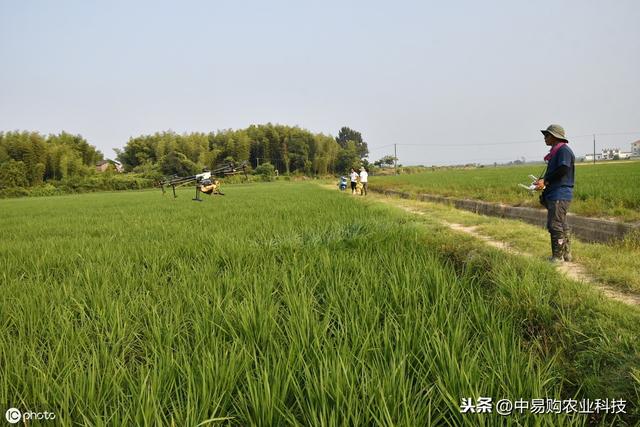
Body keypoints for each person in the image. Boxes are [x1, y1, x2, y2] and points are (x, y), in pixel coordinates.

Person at [535, 124, 575, 262]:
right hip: (556, 193)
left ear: (555, 137)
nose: (545, 138)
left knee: (555, 225)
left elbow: (563, 169)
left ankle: (557, 258)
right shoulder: (556, 151)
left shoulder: (563, 151)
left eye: (547, 135)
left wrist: (545, 181)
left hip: (560, 193)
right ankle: (566, 254)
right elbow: (554, 173)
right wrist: (542, 181)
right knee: (561, 223)